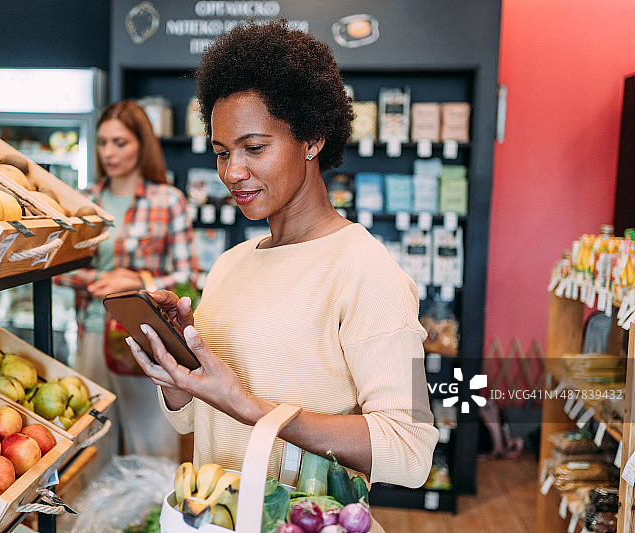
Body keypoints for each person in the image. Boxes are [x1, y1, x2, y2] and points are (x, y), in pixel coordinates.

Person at [125, 19, 439, 517]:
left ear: (312, 138)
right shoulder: (229, 266)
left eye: (254, 148)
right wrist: (180, 371)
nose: (233, 172)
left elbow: (409, 450)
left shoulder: (363, 268)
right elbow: (196, 426)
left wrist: (253, 410)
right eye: (223, 153)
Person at [53, 100, 200, 462]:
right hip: (90, 336)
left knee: (153, 449)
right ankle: (89, 522)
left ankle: (154, 518)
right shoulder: (84, 202)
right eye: (103, 142)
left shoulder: (169, 200)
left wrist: (138, 280)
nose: (109, 152)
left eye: (120, 142)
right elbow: (57, 267)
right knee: (89, 448)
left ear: (142, 144)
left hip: (147, 337)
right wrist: (103, 280)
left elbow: (190, 276)